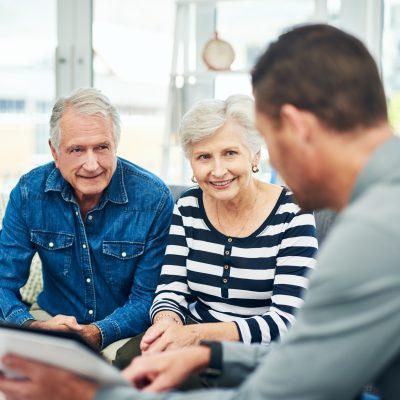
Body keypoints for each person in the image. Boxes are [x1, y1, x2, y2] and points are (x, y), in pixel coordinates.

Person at [1, 23, 400, 400]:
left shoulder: (369, 235)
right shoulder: (381, 210)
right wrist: (211, 353)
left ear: (297, 128)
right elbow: (317, 359)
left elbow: (282, 389)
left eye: (262, 143)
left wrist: (93, 394)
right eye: (204, 156)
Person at [114, 95, 317, 368]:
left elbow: (287, 319)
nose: (218, 171)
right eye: (204, 157)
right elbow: (170, 290)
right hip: (187, 334)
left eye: (230, 153)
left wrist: (197, 335)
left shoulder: (294, 211)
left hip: (257, 352)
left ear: (255, 154)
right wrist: (167, 324)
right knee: (129, 364)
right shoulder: (188, 206)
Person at [0, 88, 174, 360]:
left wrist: (97, 332)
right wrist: (33, 326)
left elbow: (146, 298)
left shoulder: (154, 198)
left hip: (125, 331)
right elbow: (2, 282)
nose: (91, 164)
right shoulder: (28, 193)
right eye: (77, 150)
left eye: (102, 147)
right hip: (50, 321)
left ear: (115, 144)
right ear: (55, 152)